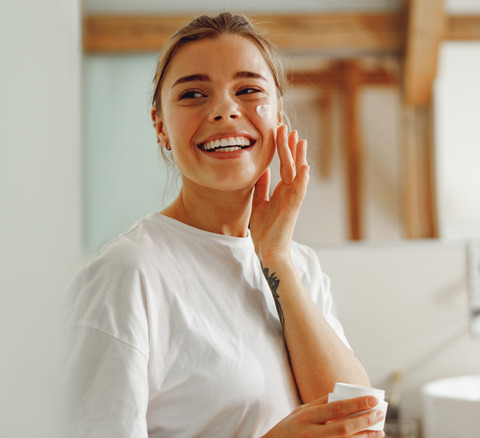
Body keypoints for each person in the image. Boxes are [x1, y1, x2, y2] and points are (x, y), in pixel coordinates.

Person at [64, 12, 384, 438]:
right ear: (161, 127)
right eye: (193, 94)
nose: (224, 110)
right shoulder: (128, 275)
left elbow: (357, 419)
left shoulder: (299, 266)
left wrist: (277, 261)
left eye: (248, 90)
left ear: (278, 115)